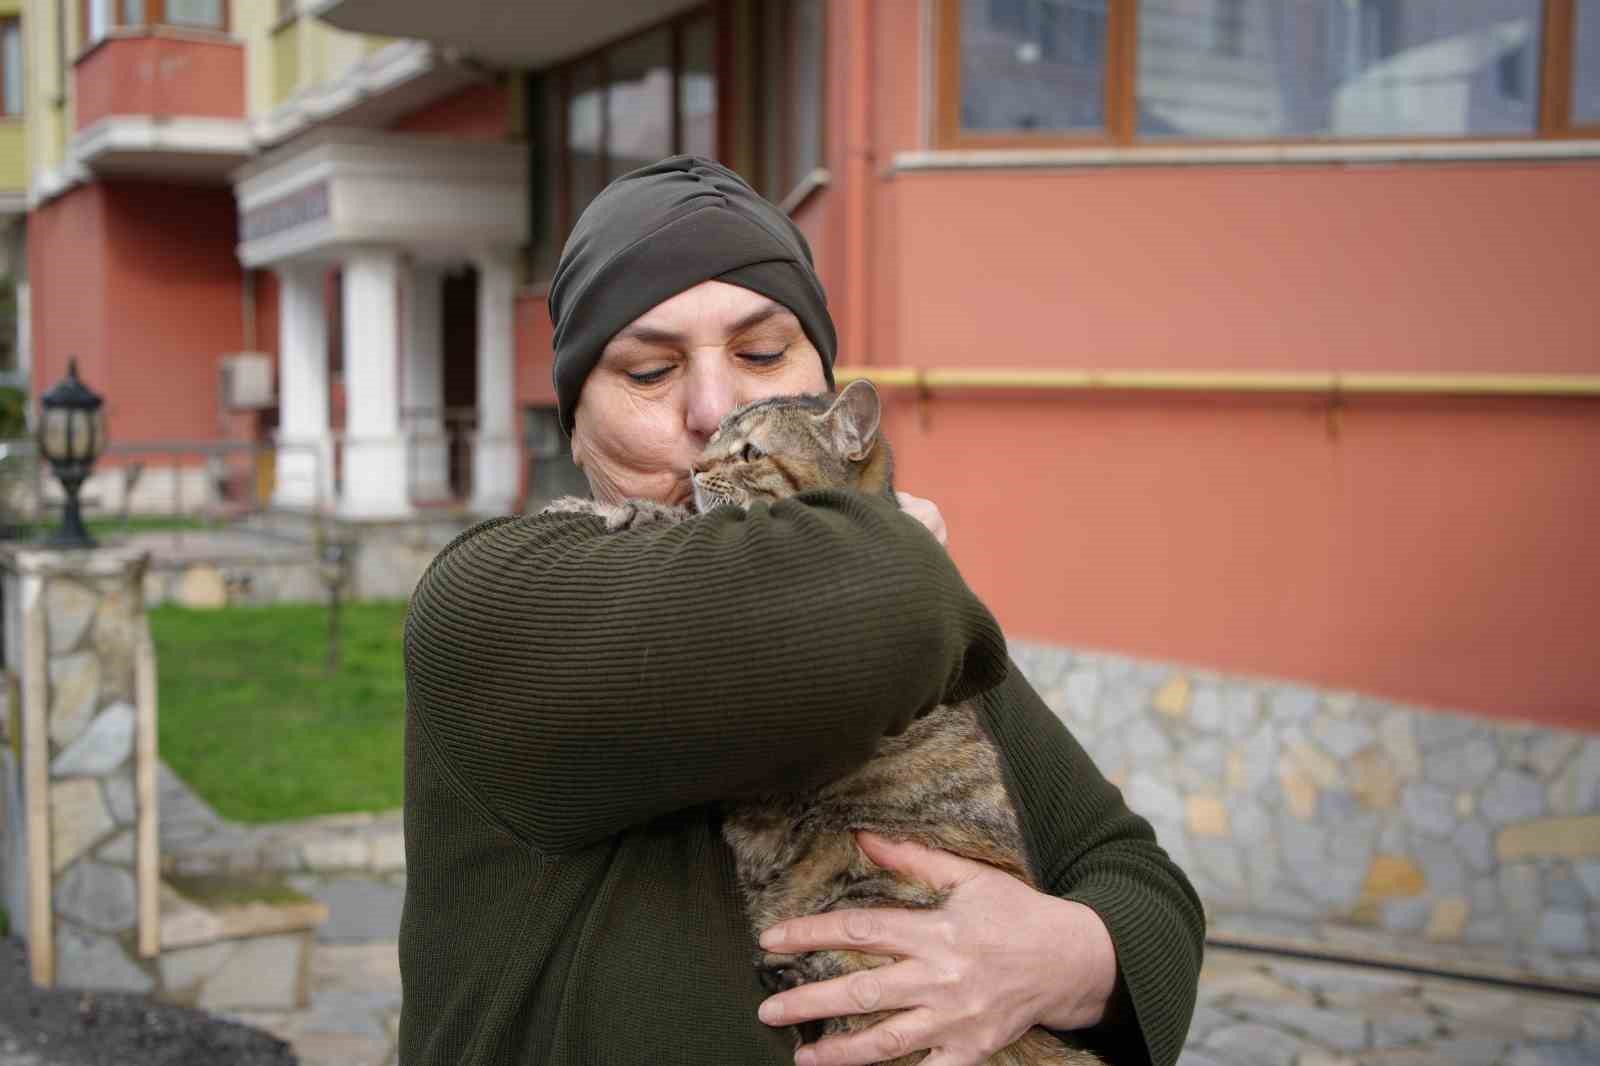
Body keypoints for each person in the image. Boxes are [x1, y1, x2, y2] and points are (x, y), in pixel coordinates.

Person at [399, 156, 1203, 1066]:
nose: (716, 410)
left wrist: (1054, 958)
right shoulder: (494, 598)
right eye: (651, 369)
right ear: (575, 423)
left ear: (826, 385)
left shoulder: (918, 624)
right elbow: (870, 605)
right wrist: (891, 547)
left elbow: (1143, 886)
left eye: (763, 353)